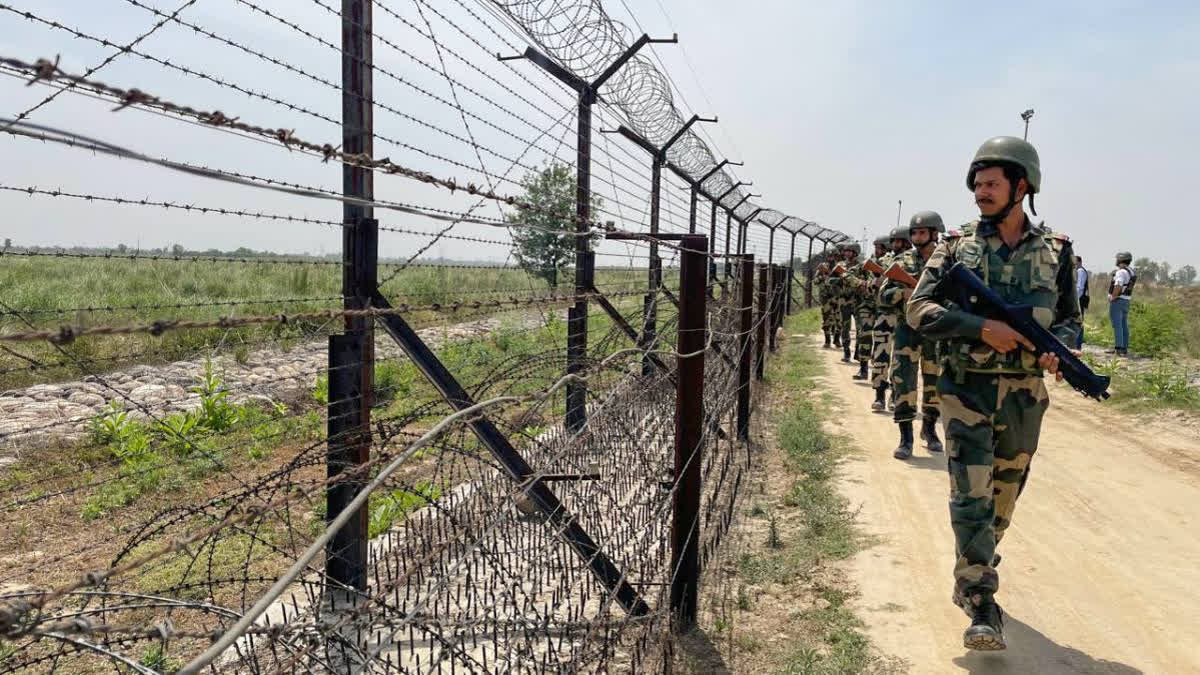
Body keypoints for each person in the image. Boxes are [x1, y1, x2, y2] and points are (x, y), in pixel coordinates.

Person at [907, 136, 1080, 651]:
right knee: (970, 492)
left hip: (1026, 395)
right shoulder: (955, 248)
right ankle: (981, 600)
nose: (980, 193)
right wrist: (981, 328)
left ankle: (974, 564)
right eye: (977, 185)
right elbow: (919, 310)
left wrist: (1060, 351)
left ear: (1020, 186)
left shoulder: (1057, 251)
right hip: (965, 391)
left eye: (991, 184)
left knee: (1002, 500)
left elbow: (1071, 320)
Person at [881, 212, 944, 458]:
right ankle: (905, 437)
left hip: (936, 333)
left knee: (935, 385)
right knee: (903, 383)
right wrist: (902, 294)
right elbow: (882, 298)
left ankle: (929, 430)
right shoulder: (902, 261)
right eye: (915, 233)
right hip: (907, 332)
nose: (918, 237)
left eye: (923, 232)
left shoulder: (945, 260)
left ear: (935, 233)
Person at [868, 228, 909, 410]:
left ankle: (895, 395)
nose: (896, 245)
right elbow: (871, 286)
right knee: (880, 355)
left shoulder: (915, 261)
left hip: (905, 316)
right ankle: (879, 395)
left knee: (901, 360)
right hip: (884, 314)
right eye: (894, 241)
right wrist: (874, 283)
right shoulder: (883, 262)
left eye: (899, 241)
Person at [1109, 252, 1135, 356]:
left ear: (1120, 259)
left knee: (1117, 325)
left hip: (1118, 300)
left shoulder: (1121, 272)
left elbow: (1118, 286)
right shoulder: (1131, 271)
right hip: (1126, 300)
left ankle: (1118, 348)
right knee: (1124, 324)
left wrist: (1113, 297)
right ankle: (1124, 347)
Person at [1075, 256, 1089, 348]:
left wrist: (1075, 300)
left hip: (1079, 299)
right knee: (1079, 320)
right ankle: (1078, 341)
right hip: (1080, 298)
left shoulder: (1080, 271)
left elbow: (1080, 288)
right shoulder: (1080, 271)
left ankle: (1078, 343)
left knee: (1078, 321)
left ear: (1079, 262)